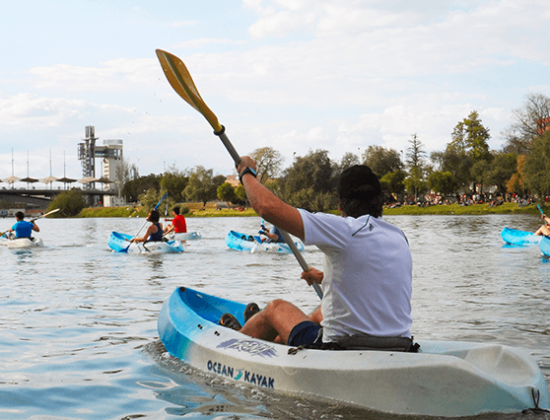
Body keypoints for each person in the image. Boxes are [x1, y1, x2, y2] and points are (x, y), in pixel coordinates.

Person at [220, 158, 414, 351]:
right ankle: (273, 342)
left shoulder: (345, 229)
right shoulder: (399, 236)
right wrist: (324, 277)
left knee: (275, 309)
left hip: (343, 347)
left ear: (340, 205)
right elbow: (373, 275)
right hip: (400, 345)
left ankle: (233, 346)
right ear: (379, 200)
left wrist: (246, 173)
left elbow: (266, 208)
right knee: (319, 314)